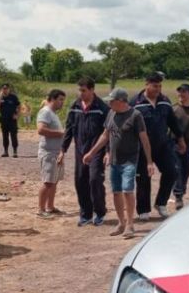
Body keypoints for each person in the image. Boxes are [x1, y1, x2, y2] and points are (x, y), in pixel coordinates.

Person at [83, 88, 153, 240]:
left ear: (121, 101)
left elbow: (144, 139)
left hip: (130, 160)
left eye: (111, 100)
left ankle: (130, 224)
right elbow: (105, 135)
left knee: (128, 190)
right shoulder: (111, 113)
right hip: (114, 160)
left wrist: (149, 162)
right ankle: (121, 223)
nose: (109, 103)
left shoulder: (136, 115)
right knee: (116, 192)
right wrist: (92, 153)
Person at [131, 72, 185, 221]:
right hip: (141, 148)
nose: (158, 89)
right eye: (155, 85)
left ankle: (161, 203)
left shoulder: (165, 101)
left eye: (160, 86)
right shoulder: (135, 103)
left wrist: (180, 139)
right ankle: (143, 210)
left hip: (163, 145)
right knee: (143, 178)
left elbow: (172, 122)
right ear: (146, 84)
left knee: (172, 171)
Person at [61, 77, 109, 227]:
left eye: (84, 90)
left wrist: (108, 151)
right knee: (80, 181)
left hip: (97, 151)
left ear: (92, 90)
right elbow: (68, 129)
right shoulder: (75, 106)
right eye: (79, 90)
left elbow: (108, 132)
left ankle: (99, 212)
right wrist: (63, 150)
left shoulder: (102, 107)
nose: (81, 93)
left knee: (94, 180)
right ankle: (86, 214)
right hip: (80, 150)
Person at [35, 89, 66, 218]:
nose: (62, 103)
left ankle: (50, 207)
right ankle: (41, 210)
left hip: (56, 153)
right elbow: (41, 129)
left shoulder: (53, 113)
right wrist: (60, 133)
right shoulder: (45, 112)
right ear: (53, 99)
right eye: (60, 100)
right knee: (47, 182)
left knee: (54, 181)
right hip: (47, 153)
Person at [0, 84, 20, 157]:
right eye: (3, 88)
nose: (5, 90)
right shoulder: (0, 97)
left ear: (9, 89)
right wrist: (0, 97)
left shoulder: (13, 97)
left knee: (13, 136)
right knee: (5, 136)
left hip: (12, 120)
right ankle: (6, 152)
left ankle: (15, 152)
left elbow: (19, 106)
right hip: (3, 120)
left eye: (6, 88)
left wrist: (17, 115)